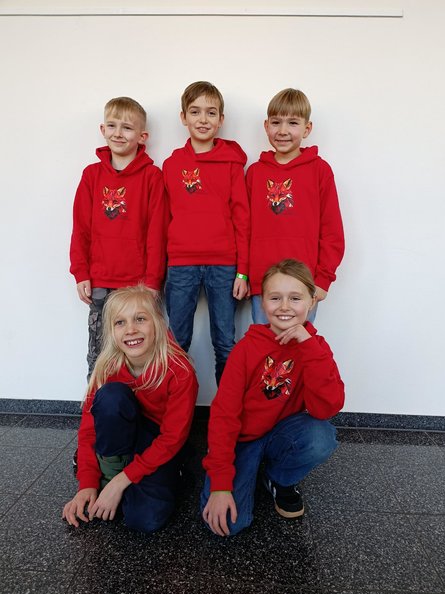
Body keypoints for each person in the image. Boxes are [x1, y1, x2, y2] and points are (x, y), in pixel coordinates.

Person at [201, 259, 344, 536]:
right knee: (228, 524)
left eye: (295, 298)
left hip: (281, 434)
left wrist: (307, 346)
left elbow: (326, 408)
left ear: (311, 302)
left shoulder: (317, 348)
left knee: (321, 436)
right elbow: (223, 415)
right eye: (275, 298)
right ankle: (245, 469)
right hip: (243, 440)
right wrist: (220, 484)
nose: (285, 307)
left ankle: (278, 478)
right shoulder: (245, 350)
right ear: (263, 302)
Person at [62, 285, 198, 533]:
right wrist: (87, 483)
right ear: (111, 331)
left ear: (157, 323)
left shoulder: (180, 370)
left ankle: (142, 476)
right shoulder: (106, 368)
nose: (131, 329)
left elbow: (172, 438)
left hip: (158, 442)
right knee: (111, 397)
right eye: (120, 322)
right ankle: (109, 471)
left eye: (140, 319)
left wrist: (122, 482)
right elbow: (89, 430)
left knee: (144, 520)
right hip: (122, 435)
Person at [70, 97, 168, 379]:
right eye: (112, 126)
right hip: (100, 281)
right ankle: (96, 405)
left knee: (140, 354)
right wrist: (81, 272)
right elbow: (81, 228)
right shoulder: (91, 175)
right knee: (99, 353)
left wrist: (152, 282)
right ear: (103, 129)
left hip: (138, 285)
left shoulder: (152, 177)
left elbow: (157, 233)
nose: (118, 133)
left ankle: (138, 407)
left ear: (142, 136)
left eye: (127, 127)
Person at [163, 81, 250, 385]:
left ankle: (226, 410)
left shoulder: (232, 164)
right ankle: (174, 408)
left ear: (221, 119)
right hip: (181, 264)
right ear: (183, 117)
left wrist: (243, 272)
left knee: (225, 342)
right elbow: (163, 219)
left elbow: (242, 219)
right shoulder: (171, 165)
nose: (203, 119)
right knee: (176, 342)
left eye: (211, 113)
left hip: (224, 265)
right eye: (195, 112)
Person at [246, 88, 345, 324]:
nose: (283, 131)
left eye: (292, 123)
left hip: (303, 285)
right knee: (263, 345)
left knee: (301, 345)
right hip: (263, 285)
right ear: (266, 126)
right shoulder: (255, 173)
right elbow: (244, 228)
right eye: (276, 122)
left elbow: (332, 230)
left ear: (307, 129)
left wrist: (323, 280)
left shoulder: (320, 171)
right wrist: (246, 275)